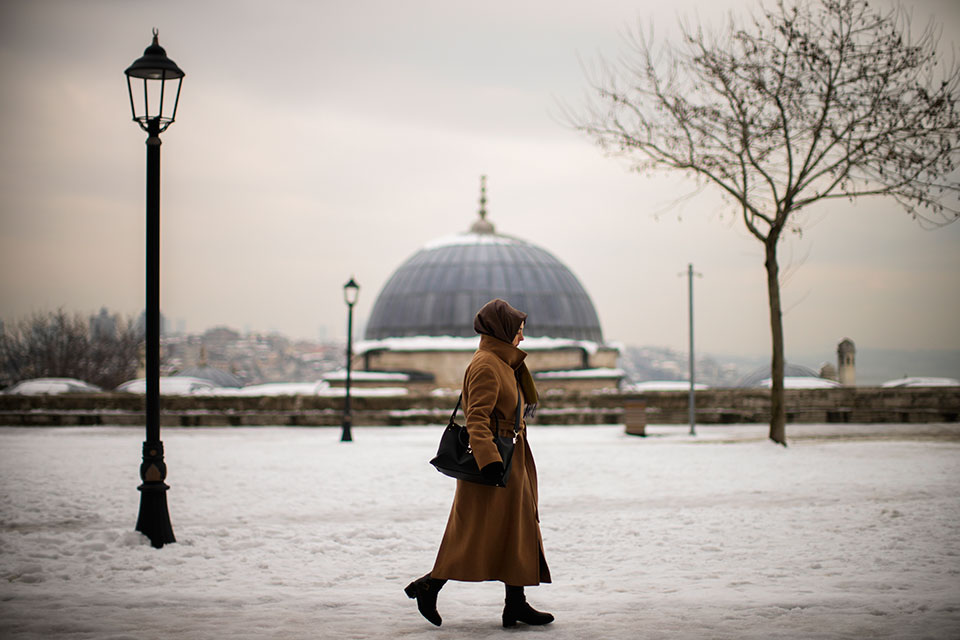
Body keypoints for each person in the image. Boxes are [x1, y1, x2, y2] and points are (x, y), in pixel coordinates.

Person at [405, 298, 553, 628]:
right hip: (495, 463)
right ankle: (429, 584)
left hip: (510, 458)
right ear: (501, 331)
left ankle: (515, 603)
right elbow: (476, 418)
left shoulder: (503, 362)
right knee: (475, 535)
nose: (522, 338)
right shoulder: (487, 364)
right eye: (518, 331)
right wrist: (489, 462)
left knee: (517, 531)